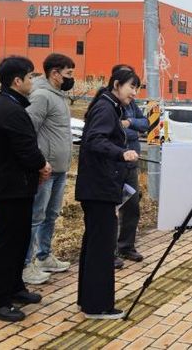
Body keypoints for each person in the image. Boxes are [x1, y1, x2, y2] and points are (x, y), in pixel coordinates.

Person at [75, 68, 140, 319]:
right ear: (116, 84)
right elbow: (94, 140)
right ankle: (97, 306)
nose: (134, 93)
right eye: (131, 86)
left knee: (95, 244)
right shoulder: (105, 108)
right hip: (99, 188)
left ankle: (88, 300)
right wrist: (121, 153)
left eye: (136, 88)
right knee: (101, 247)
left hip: (97, 187)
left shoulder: (109, 105)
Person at [0, 56, 52, 322]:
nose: (32, 82)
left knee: (20, 240)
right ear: (17, 81)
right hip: (11, 187)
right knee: (8, 242)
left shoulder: (11, 105)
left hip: (19, 185)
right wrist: (42, 165)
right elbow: (26, 148)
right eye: (29, 77)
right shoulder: (9, 110)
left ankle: (14, 287)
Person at [23, 54, 75, 285]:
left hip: (60, 169)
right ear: (55, 73)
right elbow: (27, 131)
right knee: (36, 217)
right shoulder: (41, 96)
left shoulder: (58, 95)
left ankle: (44, 256)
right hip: (45, 170)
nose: (71, 78)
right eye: (68, 73)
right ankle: (26, 264)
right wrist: (39, 163)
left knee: (50, 216)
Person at [113, 65, 150, 268]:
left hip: (131, 164)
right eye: (131, 85)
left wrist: (129, 123)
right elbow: (115, 131)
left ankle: (126, 246)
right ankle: (109, 251)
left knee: (132, 205)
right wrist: (131, 130)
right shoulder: (108, 104)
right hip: (115, 163)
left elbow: (145, 123)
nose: (134, 90)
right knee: (112, 208)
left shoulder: (131, 103)